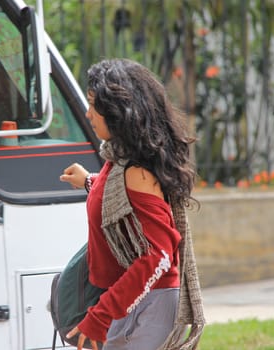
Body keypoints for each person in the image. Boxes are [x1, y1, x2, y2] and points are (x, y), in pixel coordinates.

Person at [60, 58, 204, 350]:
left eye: (92, 105)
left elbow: (160, 254)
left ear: (116, 112)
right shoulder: (120, 160)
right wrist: (89, 182)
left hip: (147, 307)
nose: (88, 114)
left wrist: (103, 315)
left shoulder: (135, 172)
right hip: (134, 301)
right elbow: (122, 206)